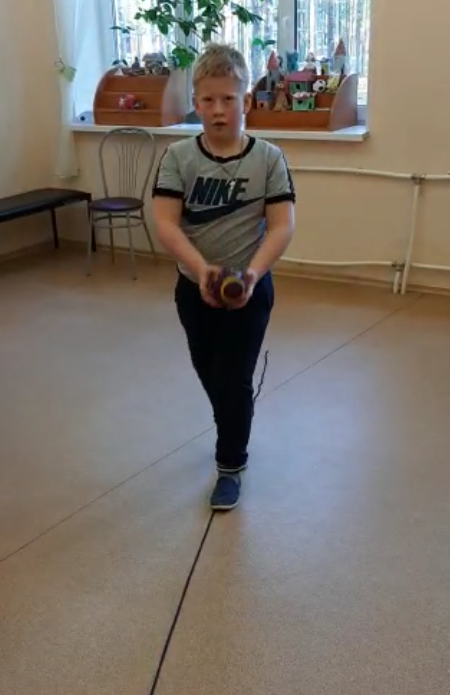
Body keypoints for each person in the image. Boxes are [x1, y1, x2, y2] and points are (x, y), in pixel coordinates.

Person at [152, 43, 296, 511]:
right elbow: (166, 222)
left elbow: (282, 225)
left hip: (251, 291)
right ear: (196, 103)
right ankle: (234, 421)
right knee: (210, 371)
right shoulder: (178, 157)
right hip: (193, 290)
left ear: (246, 101)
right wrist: (202, 271)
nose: (218, 110)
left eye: (228, 99)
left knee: (233, 378)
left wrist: (251, 275)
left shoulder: (269, 158)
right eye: (209, 100)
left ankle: (230, 463)